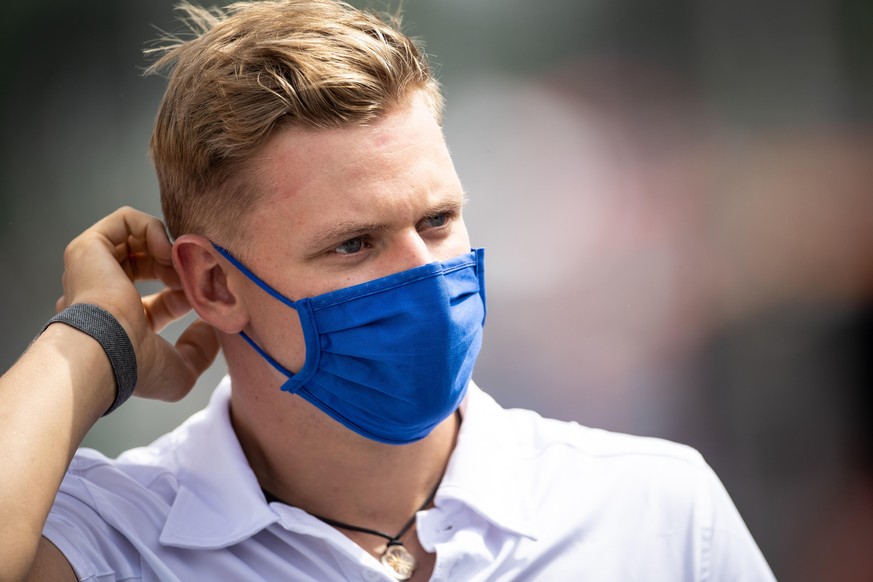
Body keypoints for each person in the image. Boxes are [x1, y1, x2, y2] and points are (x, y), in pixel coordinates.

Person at [0, 1, 776, 580]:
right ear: (213, 283)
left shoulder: (654, 510)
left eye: (438, 221)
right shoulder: (121, 541)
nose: (422, 275)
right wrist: (94, 338)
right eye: (353, 243)